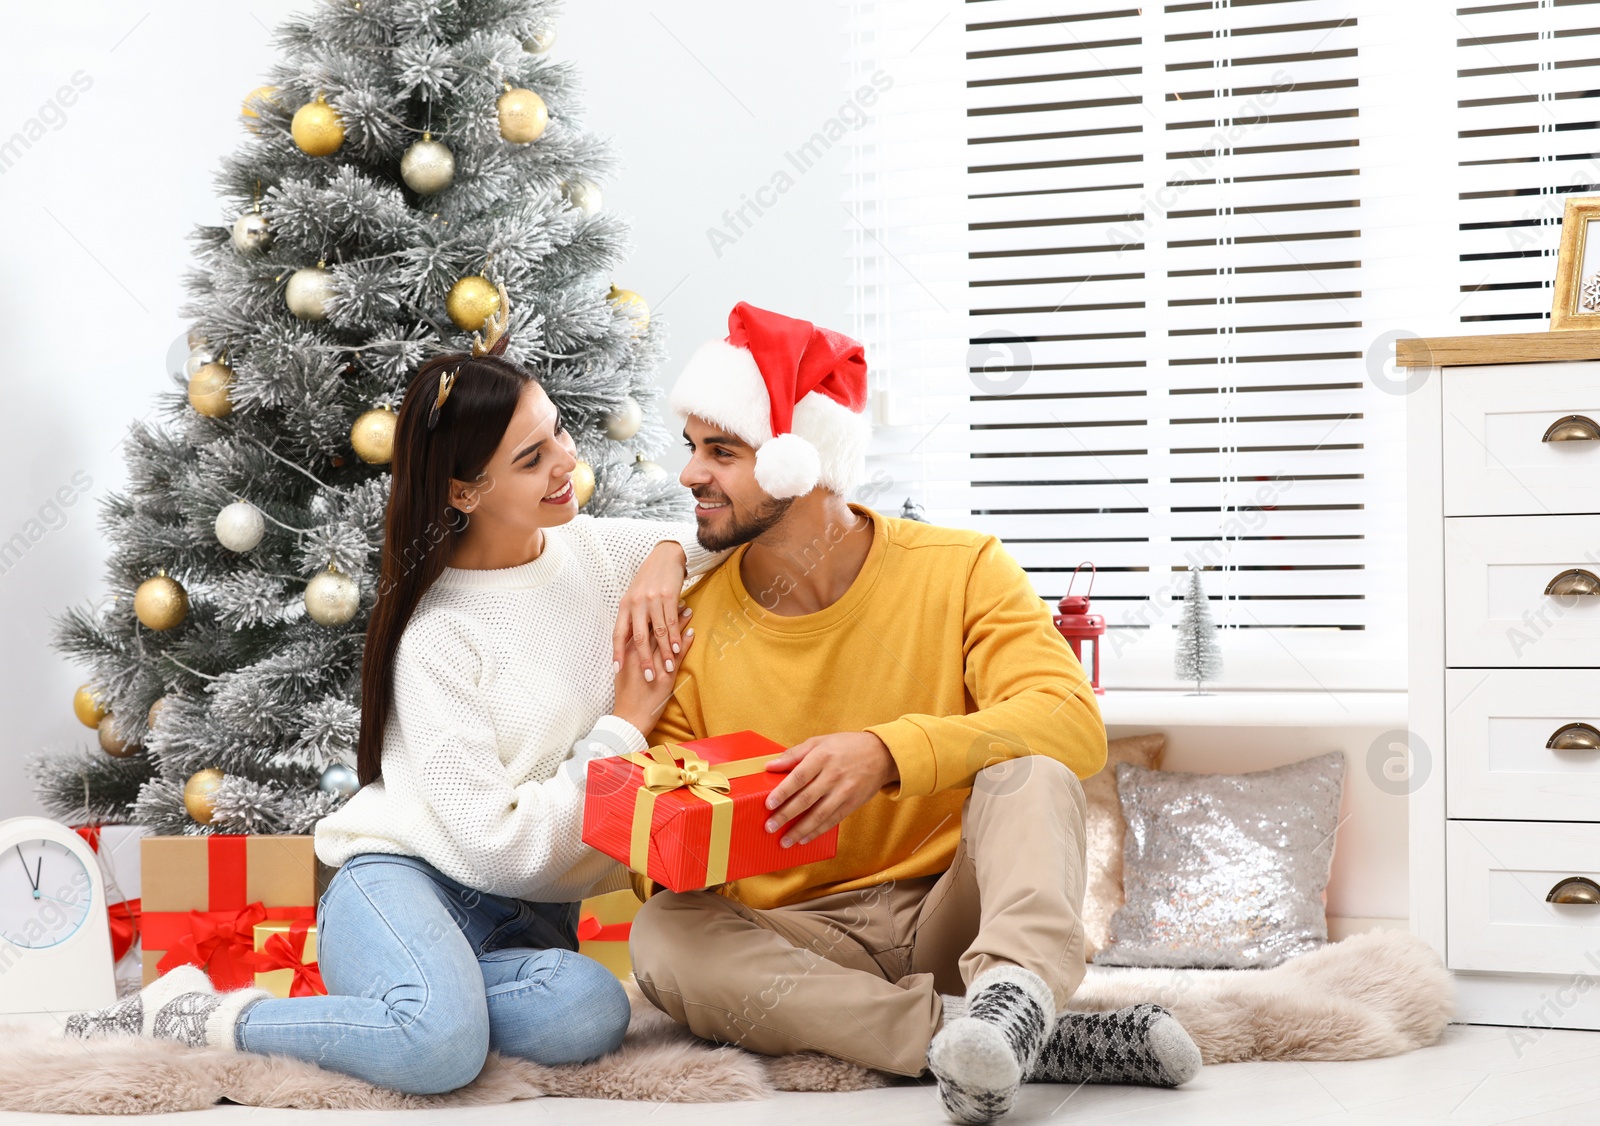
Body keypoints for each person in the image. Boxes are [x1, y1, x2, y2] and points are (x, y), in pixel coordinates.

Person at [64, 317, 717, 1095]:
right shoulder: (439, 638)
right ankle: (198, 1015)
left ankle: (418, 1010)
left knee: (591, 1012)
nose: (567, 463)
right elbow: (501, 847)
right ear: (464, 490)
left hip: (525, 923)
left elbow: (730, 536)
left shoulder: (603, 550)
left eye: (560, 432)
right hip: (402, 882)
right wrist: (624, 725)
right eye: (531, 458)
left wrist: (669, 556)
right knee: (439, 1050)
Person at [627, 301, 1202, 1125]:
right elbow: (663, 840)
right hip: (794, 938)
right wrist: (685, 821)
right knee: (662, 933)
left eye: (722, 451)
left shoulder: (961, 569)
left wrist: (887, 753)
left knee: (1032, 770)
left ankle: (1012, 994)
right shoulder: (694, 620)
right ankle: (1007, 1036)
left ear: (800, 462)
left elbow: (1071, 724)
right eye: (691, 448)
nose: (690, 474)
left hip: (950, 912)